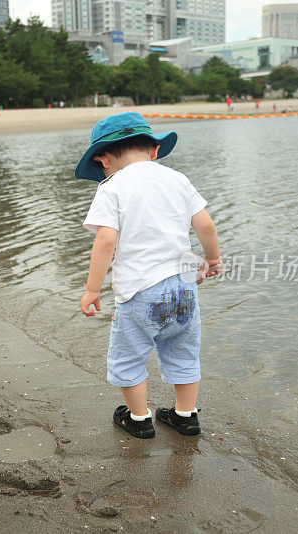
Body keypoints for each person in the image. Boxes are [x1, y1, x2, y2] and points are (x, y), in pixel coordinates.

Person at [74, 112, 221, 439]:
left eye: (100, 167)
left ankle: (139, 418)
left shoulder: (111, 187)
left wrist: (92, 289)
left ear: (103, 158)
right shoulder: (177, 179)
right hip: (183, 288)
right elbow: (206, 225)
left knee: (129, 355)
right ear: (154, 151)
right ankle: (185, 416)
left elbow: (106, 240)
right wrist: (212, 260)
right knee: (183, 350)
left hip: (140, 292)